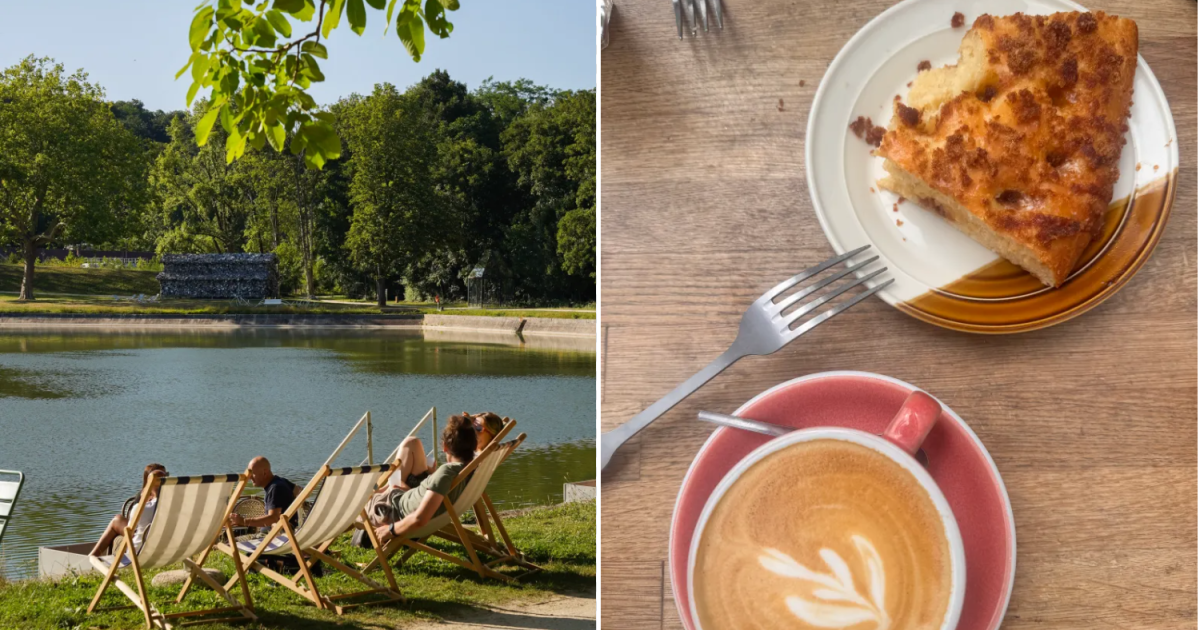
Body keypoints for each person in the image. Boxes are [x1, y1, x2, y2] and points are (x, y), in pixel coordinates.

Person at [368, 414, 477, 545]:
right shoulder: (472, 468)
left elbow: (419, 519)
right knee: (412, 443)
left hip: (394, 510)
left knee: (366, 497)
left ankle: (377, 494)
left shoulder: (447, 472)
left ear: (444, 446)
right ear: (473, 446)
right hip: (409, 498)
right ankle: (384, 489)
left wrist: (391, 530)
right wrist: (432, 475)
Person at [90, 463, 167, 557]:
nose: (164, 478)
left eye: (166, 475)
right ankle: (94, 555)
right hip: (156, 533)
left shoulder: (143, 503)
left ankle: (93, 556)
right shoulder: (175, 499)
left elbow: (133, 525)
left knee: (117, 520)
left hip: (144, 535)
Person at [229, 456, 298, 530]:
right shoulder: (281, 481)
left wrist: (243, 521)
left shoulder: (275, 488)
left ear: (265, 472)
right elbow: (299, 491)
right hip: (287, 531)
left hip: (276, 537)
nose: (250, 477)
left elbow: (273, 518)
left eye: (253, 473)